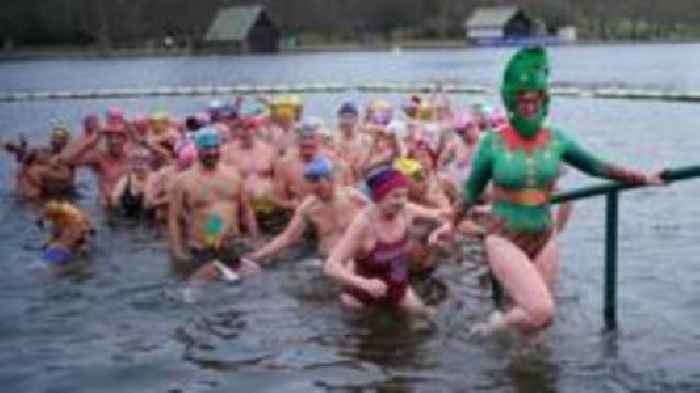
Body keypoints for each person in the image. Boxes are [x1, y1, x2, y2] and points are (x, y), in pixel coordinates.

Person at [451, 47, 664, 335]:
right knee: (542, 312)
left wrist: (644, 178)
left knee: (535, 332)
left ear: (544, 101)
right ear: (512, 101)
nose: (529, 106)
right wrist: (448, 225)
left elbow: (596, 166)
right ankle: (495, 327)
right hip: (504, 236)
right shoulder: (492, 143)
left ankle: (518, 370)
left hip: (543, 234)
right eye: (522, 100)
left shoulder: (556, 140)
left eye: (535, 99)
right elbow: (470, 191)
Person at [324, 164, 450, 316]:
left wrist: (440, 230)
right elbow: (331, 266)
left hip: (399, 290)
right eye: (395, 196)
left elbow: (443, 215)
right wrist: (364, 283)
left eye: (404, 195)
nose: (402, 201)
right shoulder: (363, 224)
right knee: (378, 335)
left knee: (427, 320)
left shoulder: (406, 211)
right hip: (362, 299)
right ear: (379, 196)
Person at [168, 127, 259, 280]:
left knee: (254, 276)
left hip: (232, 245)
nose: (212, 152)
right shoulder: (183, 181)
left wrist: (255, 240)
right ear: (197, 149)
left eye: (215, 147)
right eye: (206, 148)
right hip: (202, 248)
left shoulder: (233, 175)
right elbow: (174, 219)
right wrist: (178, 253)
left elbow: (246, 211)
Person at [243, 157, 367, 264]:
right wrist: (256, 256)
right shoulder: (309, 207)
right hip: (326, 260)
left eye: (319, 183)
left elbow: (377, 218)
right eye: (312, 183)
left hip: (355, 258)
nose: (316, 188)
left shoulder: (353, 197)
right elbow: (287, 237)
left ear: (331, 180)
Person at [222, 116, 279, 225]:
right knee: (216, 212)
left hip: (267, 201)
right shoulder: (227, 151)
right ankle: (210, 237)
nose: (246, 132)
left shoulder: (269, 150)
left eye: (250, 128)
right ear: (237, 131)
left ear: (256, 129)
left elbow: (278, 178)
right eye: (242, 128)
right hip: (240, 200)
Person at [60, 122, 130, 208]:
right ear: (106, 141)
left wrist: (138, 138)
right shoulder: (99, 157)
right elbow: (67, 160)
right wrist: (92, 140)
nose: (114, 141)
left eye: (118, 137)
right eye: (110, 138)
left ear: (124, 140)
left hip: (128, 207)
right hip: (106, 209)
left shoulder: (132, 157)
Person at [40, 201, 94, 267]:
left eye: (85, 224)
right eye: (79, 225)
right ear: (66, 230)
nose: (85, 228)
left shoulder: (73, 250)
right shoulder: (56, 255)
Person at [110, 148, 153, 218]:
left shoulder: (155, 178)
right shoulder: (125, 180)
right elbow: (114, 201)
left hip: (148, 222)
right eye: (135, 163)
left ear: (149, 163)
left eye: (142, 163)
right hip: (127, 222)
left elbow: (148, 205)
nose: (138, 167)